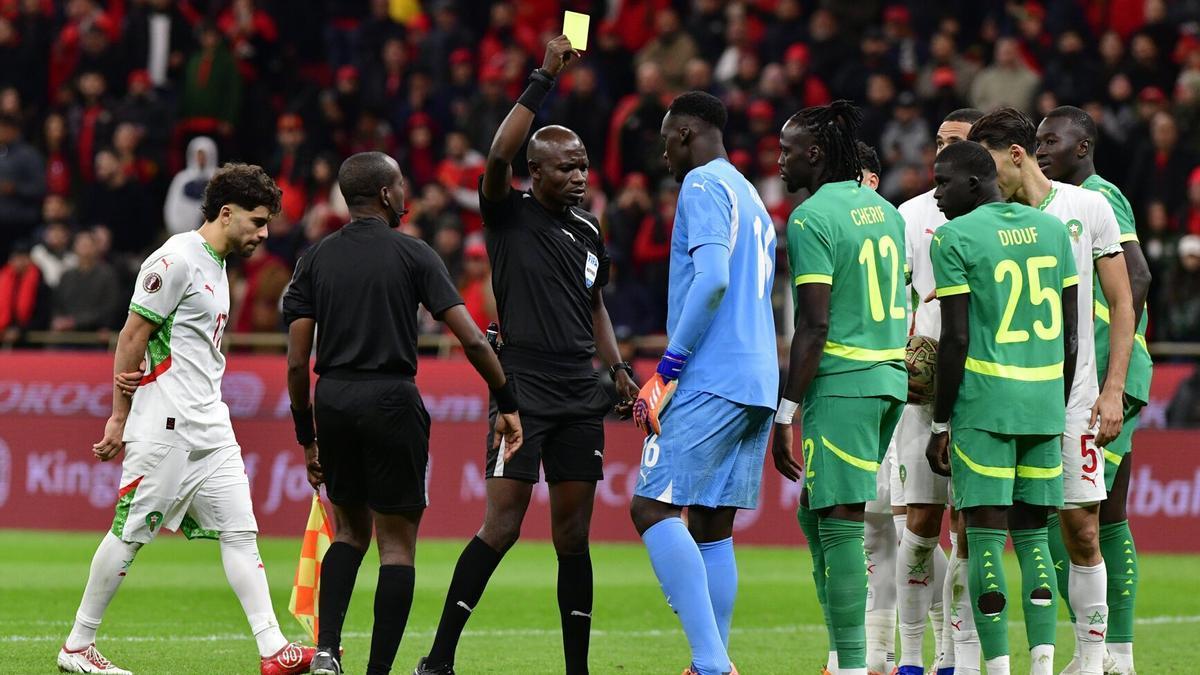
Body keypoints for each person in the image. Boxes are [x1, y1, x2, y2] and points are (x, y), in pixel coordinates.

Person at [416, 36, 639, 675]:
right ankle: (439, 658)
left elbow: (593, 304)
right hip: (522, 390)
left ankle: (576, 670)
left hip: (581, 391)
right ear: (533, 173)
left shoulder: (591, 227)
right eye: (565, 167)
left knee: (572, 536)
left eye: (583, 165)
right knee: (503, 526)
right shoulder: (506, 213)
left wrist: (618, 369)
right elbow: (497, 152)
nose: (578, 175)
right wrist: (543, 77)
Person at [57, 164, 315, 675]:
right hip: (167, 422)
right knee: (130, 530)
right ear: (226, 213)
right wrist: (118, 417)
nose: (264, 234)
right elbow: (132, 335)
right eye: (258, 222)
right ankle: (77, 645)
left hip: (210, 423)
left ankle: (271, 649)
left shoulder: (217, 265)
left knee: (241, 532)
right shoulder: (174, 259)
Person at [282, 151, 522, 675]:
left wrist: (307, 436)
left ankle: (325, 652)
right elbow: (474, 341)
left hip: (335, 398)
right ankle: (377, 671)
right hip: (392, 397)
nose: (407, 194)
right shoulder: (415, 255)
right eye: (402, 186)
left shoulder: (314, 259)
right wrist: (506, 400)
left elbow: (299, 361)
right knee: (397, 546)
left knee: (348, 532)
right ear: (388, 195)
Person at [969, 107, 1134, 675]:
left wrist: (1112, 391)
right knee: (1013, 531)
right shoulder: (992, 216)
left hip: (1076, 399)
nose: (984, 179)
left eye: (989, 163)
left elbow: (1122, 302)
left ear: (1016, 156)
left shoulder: (1086, 207)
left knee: (1083, 526)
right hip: (1010, 401)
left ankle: (1093, 660)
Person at [626, 90, 776, 675]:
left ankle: (712, 663)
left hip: (713, 374)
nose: (661, 151)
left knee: (651, 507)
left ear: (686, 133)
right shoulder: (750, 194)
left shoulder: (702, 185)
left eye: (666, 137)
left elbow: (711, 279)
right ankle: (710, 663)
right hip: (757, 376)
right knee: (713, 525)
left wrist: (667, 368)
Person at [924, 140, 1079, 675]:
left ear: (975, 181)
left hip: (985, 407)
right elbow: (1073, 339)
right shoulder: (1053, 230)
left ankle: (998, 669)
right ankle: (1042, 665)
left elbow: (956, 338)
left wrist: (941, 421)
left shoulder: (954, 237)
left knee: (986, 535)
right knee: (1035, 534)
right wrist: (1052, 405)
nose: (937, 194)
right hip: (1043, 403)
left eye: (943, 182)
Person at [772, 101, 907, 675]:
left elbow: (815, 324)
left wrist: (785, 411)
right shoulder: (885, 210)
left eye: (787, 150)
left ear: (816, 154)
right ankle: (842, 653)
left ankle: (851, 664)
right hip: (889, 378)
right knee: (816, 512)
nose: (779, 162)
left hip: (844, 382)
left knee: (840, 520)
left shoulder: (810, 218)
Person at [1036, 106, 1153, 675]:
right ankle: (1114, 654)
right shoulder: (1052, 203)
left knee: (1078, 512)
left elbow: (1137, 276)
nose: (1041, 149)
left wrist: (1111, 370)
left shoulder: (1100, 195)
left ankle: (1107, 652)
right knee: (1103, 515)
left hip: (1109, 374)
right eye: (1036, 140)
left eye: (1051, 140)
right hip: (1093, 375)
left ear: (1083, 147)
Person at [893, 108, 985, 675]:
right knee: (921, 523)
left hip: (980, 387)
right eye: (938, 143)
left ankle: (954, 656)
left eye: (955, 146)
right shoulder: (910, 215)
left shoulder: (1004, 216)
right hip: (924, 386)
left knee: (972, 529)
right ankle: (909, 658)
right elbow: (900, 293)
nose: (940, 155)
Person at [854, 139, 902, 675]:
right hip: (870, 384)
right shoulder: (897, 219)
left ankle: (938, 649)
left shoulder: (899, 221)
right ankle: (876, 655)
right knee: (872, 526)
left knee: (910, 526)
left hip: (889, 388)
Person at [164, 136, 218, 235]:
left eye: (204, 155)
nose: (201, 158)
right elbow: (172, 206)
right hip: (183, 233)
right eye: (198, 155)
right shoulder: (182, 178)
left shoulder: (218, 178)